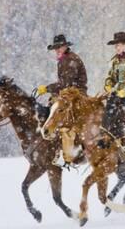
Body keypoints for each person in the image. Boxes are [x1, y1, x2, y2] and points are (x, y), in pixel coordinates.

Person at [37, 34, 88, 166]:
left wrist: (47, 88)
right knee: (51, 108)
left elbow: (65, 83)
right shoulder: (64, 60)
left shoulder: (70, 60)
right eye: (56, 48)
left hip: (77, 95)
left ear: (66, 46)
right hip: (68, 94)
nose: (57, 50)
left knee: (62, 118)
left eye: (59, 47)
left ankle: (67, 153)